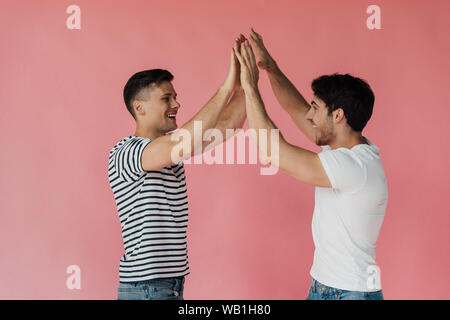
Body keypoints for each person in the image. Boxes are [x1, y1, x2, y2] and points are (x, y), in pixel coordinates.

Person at [233, 28, 388, 300]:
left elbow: (273, 151)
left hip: (349, 293)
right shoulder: (346, 148)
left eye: (315, 107)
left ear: (338, 115)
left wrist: (250, 85)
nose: (308, 114)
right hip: (323, 285)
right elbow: (295, 107)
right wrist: (271, 68)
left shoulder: (352, 166)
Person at [108, 36, 247, 300]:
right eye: (166, 98)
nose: (176, 104)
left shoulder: (168, 151)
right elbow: (181, 142)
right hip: (146, 287)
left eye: (175, 97)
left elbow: (230, 126)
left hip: (168, 284)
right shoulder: (125, 152)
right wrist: (225, 86)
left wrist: (242, 82)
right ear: (140, 107)